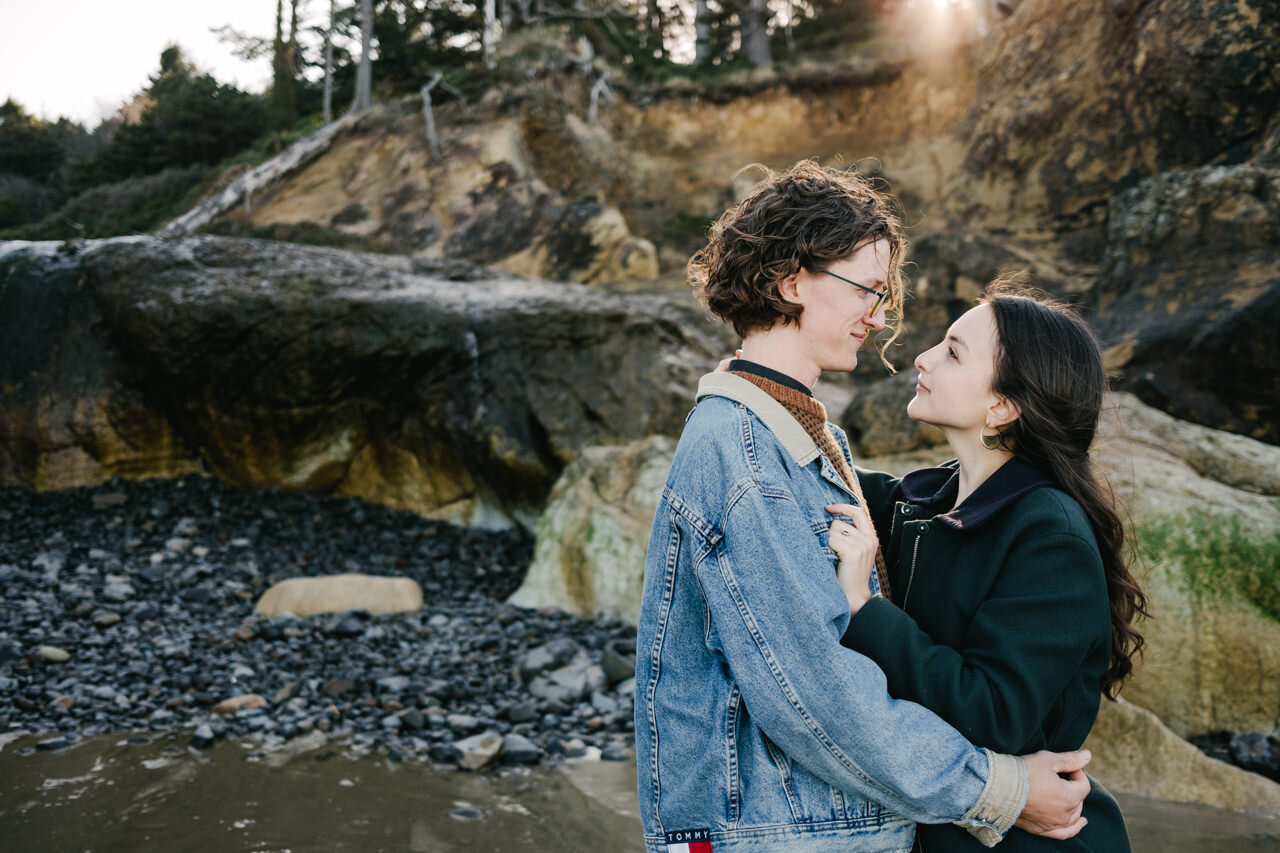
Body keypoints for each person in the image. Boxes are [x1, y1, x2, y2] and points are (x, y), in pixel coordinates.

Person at [634, 161, 1093, 853]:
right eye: (868, 290)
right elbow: (817, 700)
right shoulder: (747, 456)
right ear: (793, 282)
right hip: (781, 834)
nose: (881, 320)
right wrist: (1002, 789)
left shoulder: (801, 437)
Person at [827, 282, 1148, 852]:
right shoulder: (928, 500)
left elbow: (994, 714)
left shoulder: (1050, 534)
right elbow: (825, 483)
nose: (921, 358)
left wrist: (865, 610)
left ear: (1002, 406)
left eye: (952, 352)